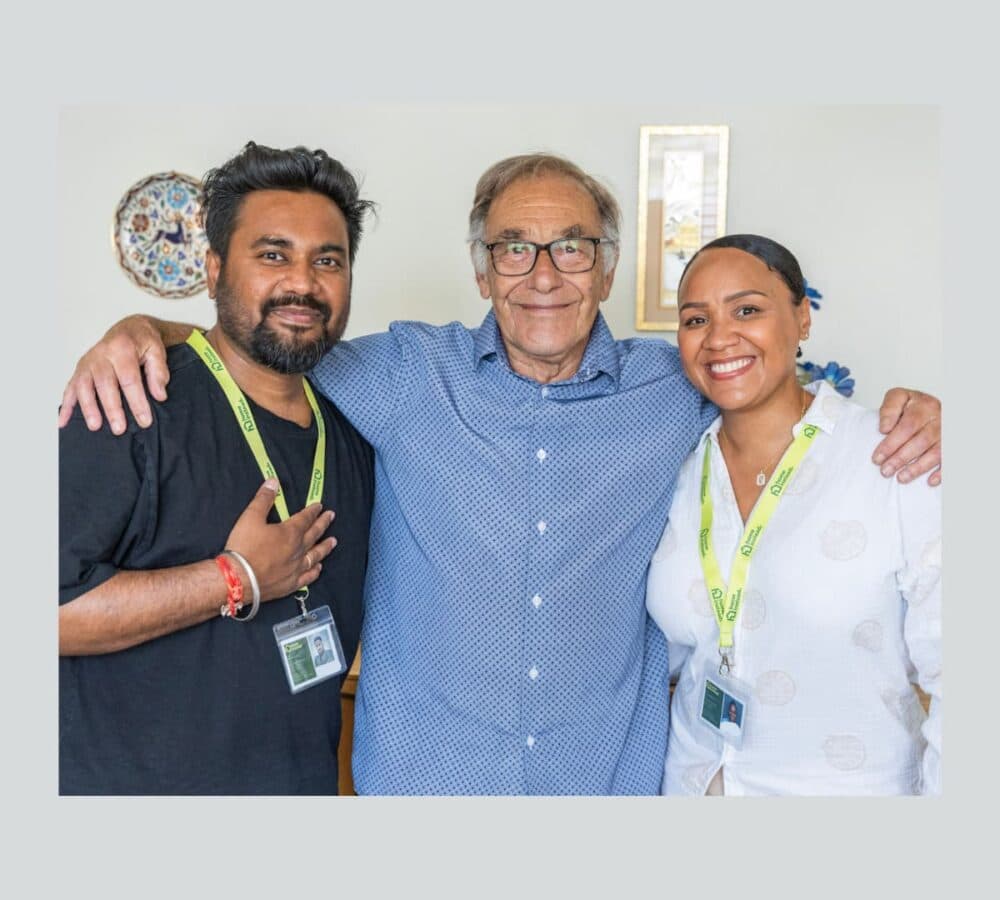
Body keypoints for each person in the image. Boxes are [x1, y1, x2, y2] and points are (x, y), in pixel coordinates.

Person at [58, 153, 942, 795]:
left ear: (605, 267)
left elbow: (775, 385)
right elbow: (273, 335)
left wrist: (926, 417)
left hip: (607, 790)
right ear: (482, 269)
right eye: (515, 248)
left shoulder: (675, 384)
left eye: (571, 247)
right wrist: (141, 327)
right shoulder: (403, 374)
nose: (544, 275)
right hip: (424, 788)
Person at [58, 143, 375, 794]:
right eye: (272, 254)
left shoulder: (356, 431)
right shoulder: (127, 403)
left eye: (328, 260)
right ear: (213, 270)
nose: (303, 283)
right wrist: (234, 578)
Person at [645, 234, 941, 796]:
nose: (720, 337)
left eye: (748, 310)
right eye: (695, 319)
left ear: (802, 318)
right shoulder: (676, 468)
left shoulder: (897, 456)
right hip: (689, 784)